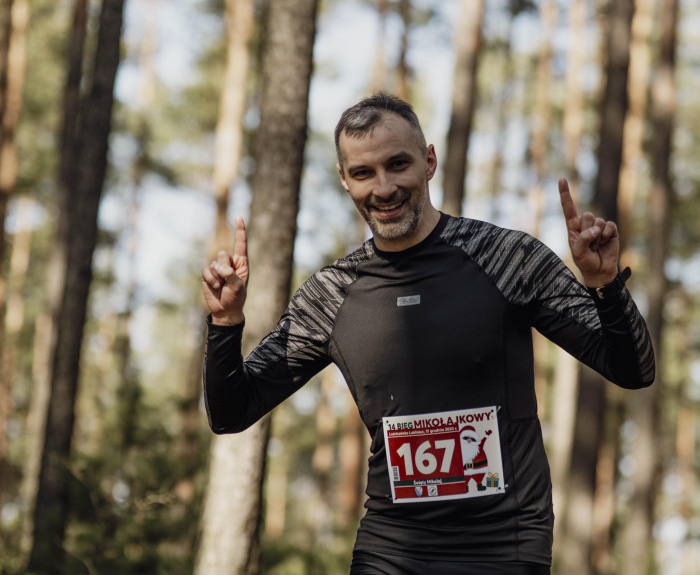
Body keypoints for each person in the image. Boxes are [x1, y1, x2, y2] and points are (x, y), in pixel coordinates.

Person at [201, 93, 655, 575]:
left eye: (398, 165)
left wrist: (605, 287)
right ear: (344, 180)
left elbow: (634, 370)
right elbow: (231, 413)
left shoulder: (507, 259)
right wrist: (226, 324)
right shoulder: (330, 295)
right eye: (363, 173)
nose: (384, 188)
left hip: (505, 548)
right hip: (389, 550)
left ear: (430, 161)